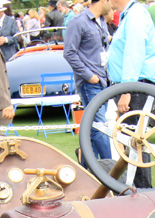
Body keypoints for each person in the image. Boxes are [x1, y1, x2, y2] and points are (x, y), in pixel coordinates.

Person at [108, 0, 155, 186]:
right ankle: (140, 190)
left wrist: (127, 90)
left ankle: (143, 191)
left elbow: (134, 53)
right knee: (134, 144)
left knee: (137, 144)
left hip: (136, 89)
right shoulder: (132, 14)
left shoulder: (135, 15)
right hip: (134, 87)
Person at [63, 0, 113, 159]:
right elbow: (69, 53)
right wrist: (88, 76)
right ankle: (110, 170)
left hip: (103, 81)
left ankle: (84, 162)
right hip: (90, 83)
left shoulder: (102, 21)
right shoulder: (78, 22)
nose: (112, 4)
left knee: (94, 128)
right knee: (99, 127)